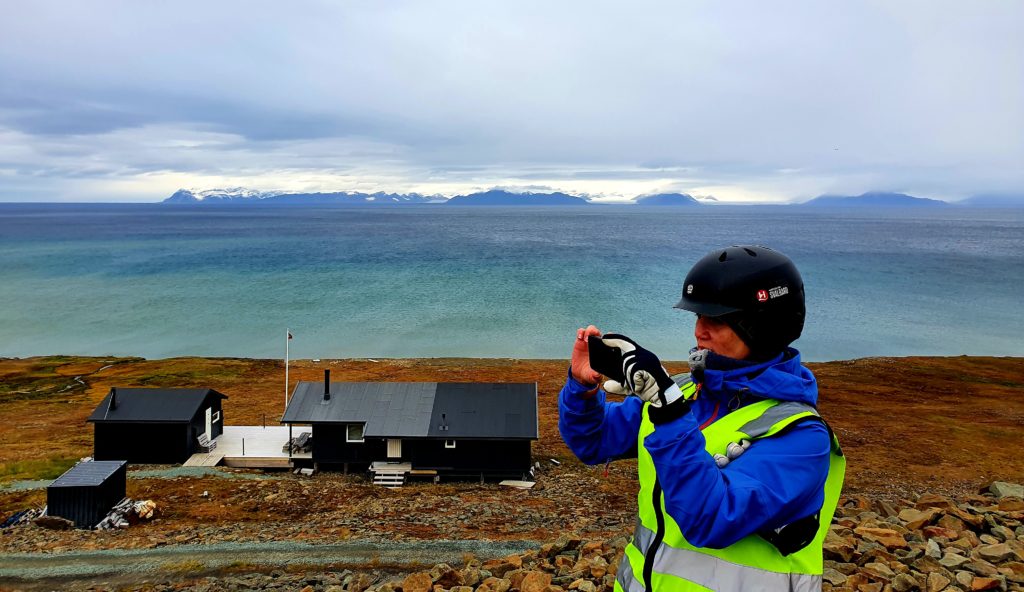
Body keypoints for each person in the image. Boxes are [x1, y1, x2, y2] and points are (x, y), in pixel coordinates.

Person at [558, 245, 845, 592]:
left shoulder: (802, 438)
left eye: (716, 320)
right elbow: (595, 441)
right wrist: (582, 389)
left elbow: (712, 517)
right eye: (697, 317)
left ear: (762, 326)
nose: (699, 331)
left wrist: (669, 409)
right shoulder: (685, 393)